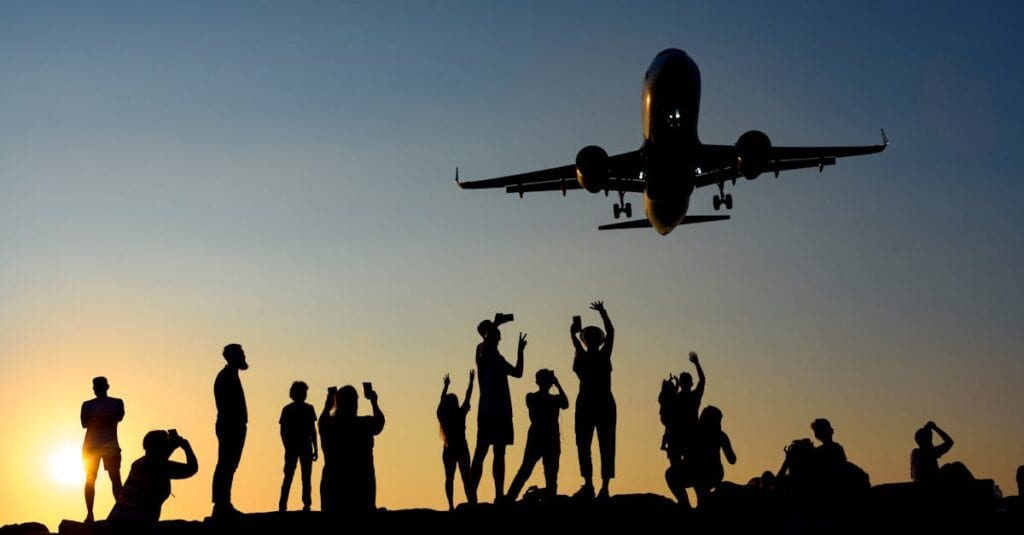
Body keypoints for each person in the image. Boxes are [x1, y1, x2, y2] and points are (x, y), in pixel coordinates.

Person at [469, 313, 525, 503]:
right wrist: (496, 323)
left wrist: (520, 350)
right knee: (481, 451)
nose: (499, 335)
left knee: (499, 453)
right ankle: (472, 495)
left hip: (502, 410)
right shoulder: (481, 350)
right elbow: (487, 340)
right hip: (489, 410)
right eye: (495, 332)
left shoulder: (498, 357)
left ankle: (499, 494)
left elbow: (518, 372)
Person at [107, 429, 198, 535]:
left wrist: (173, 446)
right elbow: (192, 468)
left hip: (116, 522)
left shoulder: (138, 464)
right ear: (161, 447)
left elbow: (158, 458)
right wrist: (186, 446)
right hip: (134, 526)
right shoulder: (161, 467)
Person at [570, 301, 616, 500]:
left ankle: (594, 485)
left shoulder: (585, 355)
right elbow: (611, 333)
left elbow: (611, 333)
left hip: (591, 403)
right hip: (599, 403)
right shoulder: (601, 355)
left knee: (589, 445)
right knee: (600, 445)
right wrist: (603, 313)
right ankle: (599, 486)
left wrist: (572, 333)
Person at [319, 384, 385, 515]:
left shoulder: (330, 425)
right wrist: (374, 402)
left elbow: (322, 422)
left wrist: (327, 406)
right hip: (361, 490)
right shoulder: (363, 424)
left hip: (333, 489)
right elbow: (379, 423)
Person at [505, 369, 569, 502]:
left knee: (531, 470)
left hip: (541, 437)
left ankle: (510, 497)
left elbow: (565, 404)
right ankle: (512, 497)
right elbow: (565, 403)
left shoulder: (533, 398)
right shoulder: (541, 398)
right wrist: (557, 384)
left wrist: (556, 384)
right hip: (545, 438)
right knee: (546, 473)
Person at [212, 343, 248, 518]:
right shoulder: (226, 377)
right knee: (226, 464)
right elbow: (226, 406)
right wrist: (235, 423)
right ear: (233, 357)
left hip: (234, 425)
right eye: (241, 354)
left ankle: (223, 503)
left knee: (229, 465)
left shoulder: (230, 375)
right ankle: (221, 505)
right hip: (230, 426)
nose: (244, 357)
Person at [81, 376, 125, 522]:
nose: (97, 389)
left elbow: (117, 417)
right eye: (95, 387)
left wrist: (97, 419)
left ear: (106, 387)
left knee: (115, 479)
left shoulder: (116, 403)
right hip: (91, 447)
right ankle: (90, 514)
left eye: (99, 386)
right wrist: (105, 418)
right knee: (90, 479)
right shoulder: (87, 404)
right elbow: (84, 423)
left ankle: (121, 512)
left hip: (110, 447)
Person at [437, 370, 475, 510]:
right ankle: (472, 503)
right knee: (466, 479)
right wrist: (471, 382)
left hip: (449, 449)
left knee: (449, 478)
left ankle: (451, 506)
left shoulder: (443, 417)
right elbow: (468, 397)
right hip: (461, 448)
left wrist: (446, 386)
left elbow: (442, 401)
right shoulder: (460, 413)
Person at [279, 381, 318, 512]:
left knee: (302, 476)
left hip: (302, 446)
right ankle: (284, 503)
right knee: (294, 475)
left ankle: (303, 503)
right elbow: (283, 431)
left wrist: (315, 448)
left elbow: (313, 431)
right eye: (303, 392)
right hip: (298, 446)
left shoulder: (292, 409)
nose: (305, 394)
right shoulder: (291, 409)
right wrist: (287, 446)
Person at [911, 421, 973, 485]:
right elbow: (949, 442)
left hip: (923, 481)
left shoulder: (915, 453)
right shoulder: (930, 451)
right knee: (958, 466)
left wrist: (926, 429)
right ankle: (975, 485)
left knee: (948, 466)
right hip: (932, 482)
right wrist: (935, 428)